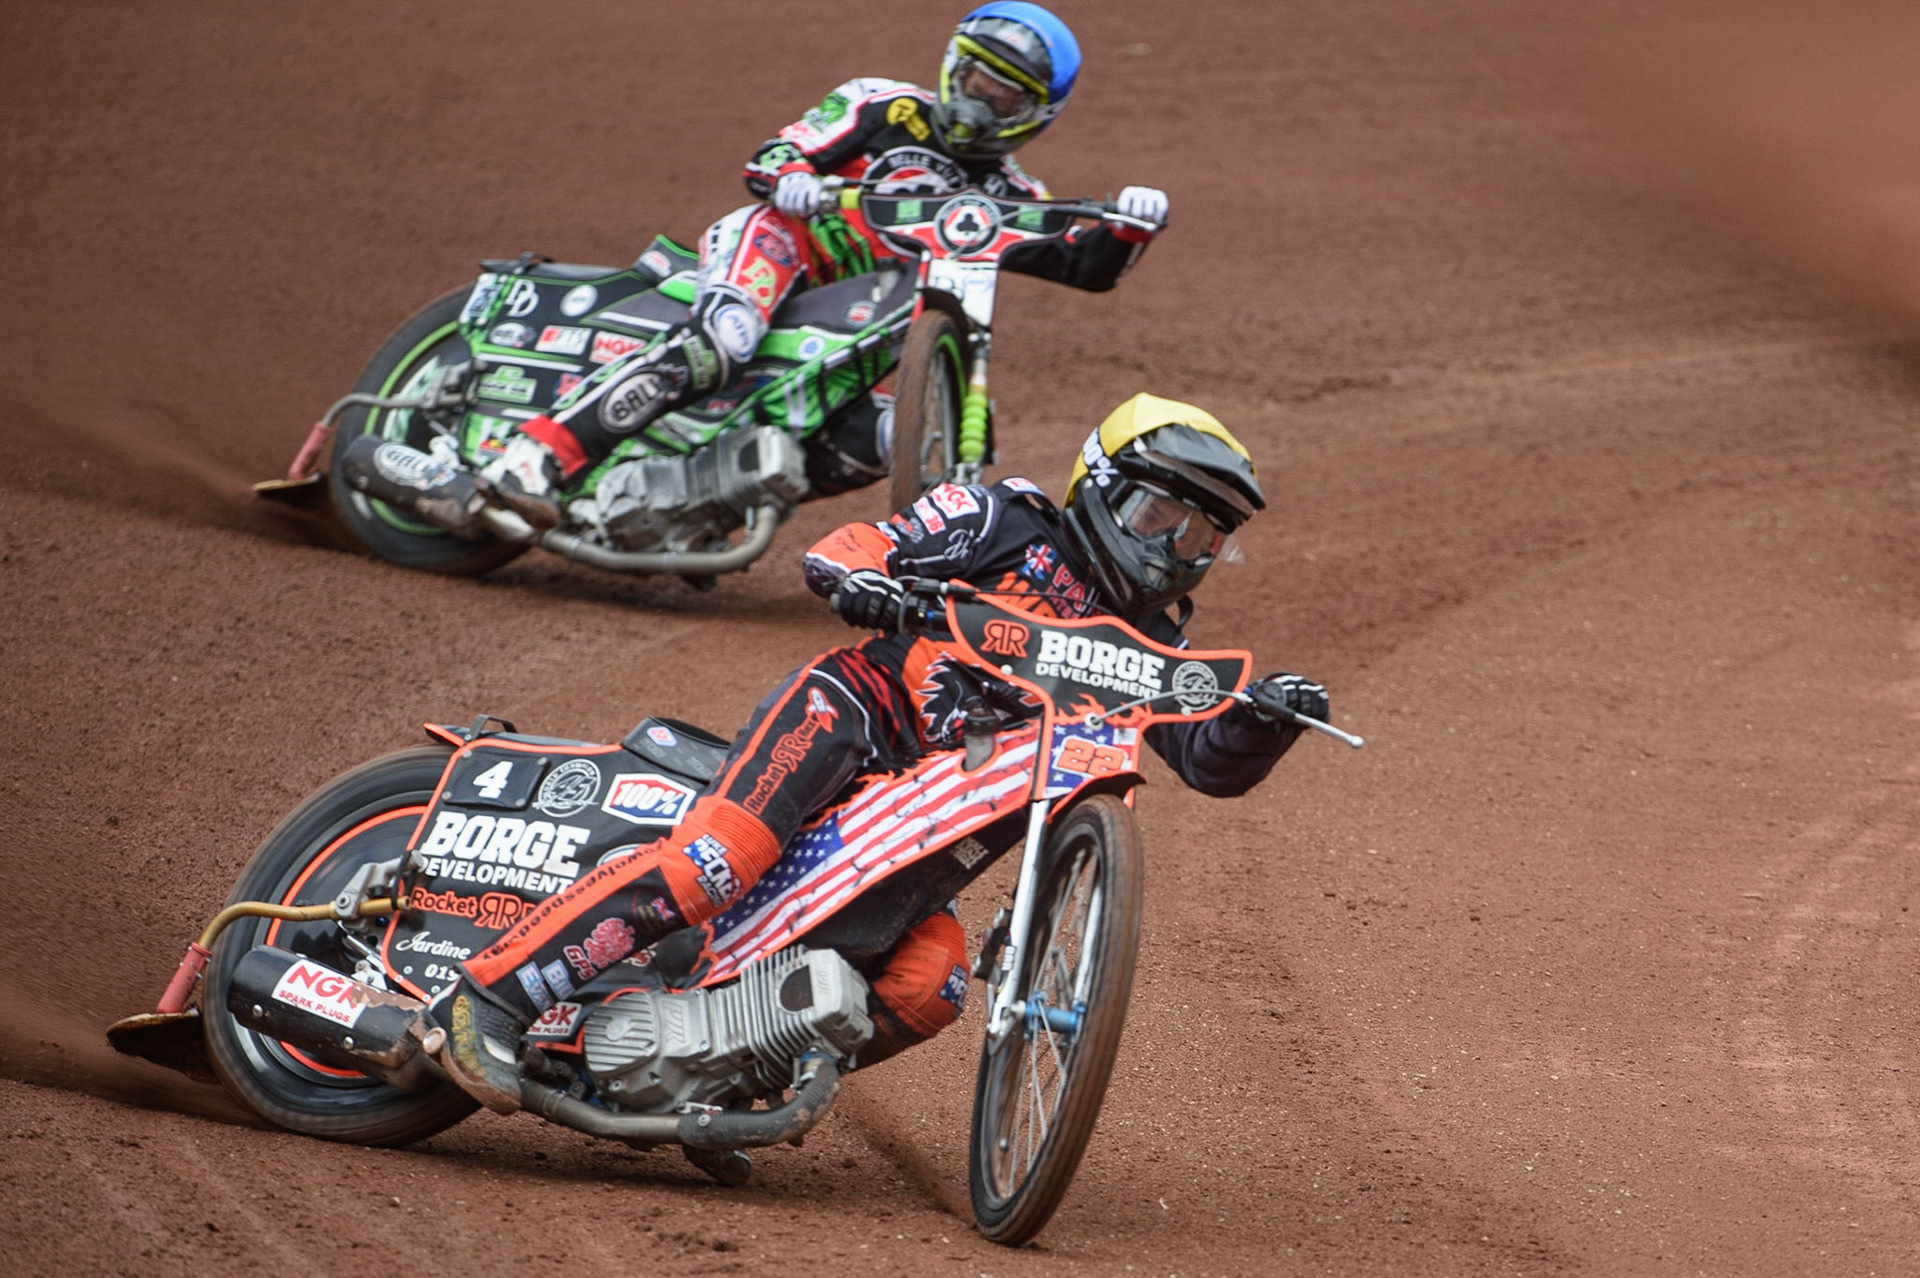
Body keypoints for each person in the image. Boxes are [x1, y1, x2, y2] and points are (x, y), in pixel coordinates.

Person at [429, 393, 1336, 1113]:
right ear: (1098, 486)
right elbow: (858, 545)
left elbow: (1208, 760)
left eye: (1202, 536)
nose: (1175, 549)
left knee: (930, 985)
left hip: (929, 823)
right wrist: (867, 581)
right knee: (715, 863)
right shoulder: (1000, 519)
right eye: (1159, 515)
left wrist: (1269, 718)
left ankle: (713, 1081)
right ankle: (488, 1000)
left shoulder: (1155, 644)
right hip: (853, 719)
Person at [454, 2, 1174, 529]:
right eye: (973, 78)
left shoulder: (1013, 196)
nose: (978, 102)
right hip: (785, 246)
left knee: (885, 438)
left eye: (1002, 94)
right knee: (725, 340)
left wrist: (1129, 229)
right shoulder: (882, 106)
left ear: (1034, 114)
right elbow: (773, 155)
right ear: (951, 65)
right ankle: (536, 456)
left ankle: (693, 510)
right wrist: (792, 175)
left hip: (865, 324)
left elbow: (1083, 267)